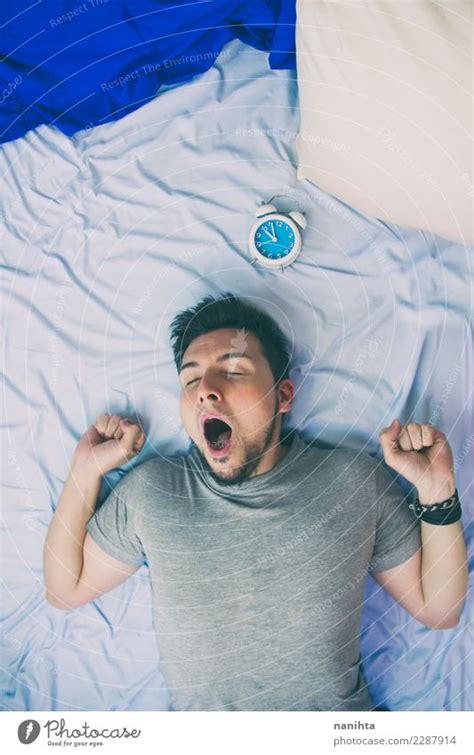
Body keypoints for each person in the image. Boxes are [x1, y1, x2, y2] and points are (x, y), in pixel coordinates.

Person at [43, 293, 468, 711]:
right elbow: (65, 589)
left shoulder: (352, 481)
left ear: (284, 396)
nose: (206, 390)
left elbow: (440, 610)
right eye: (191, 379)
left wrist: (437, 489)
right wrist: (85, 471)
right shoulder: (152, 491)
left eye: (233, 371)